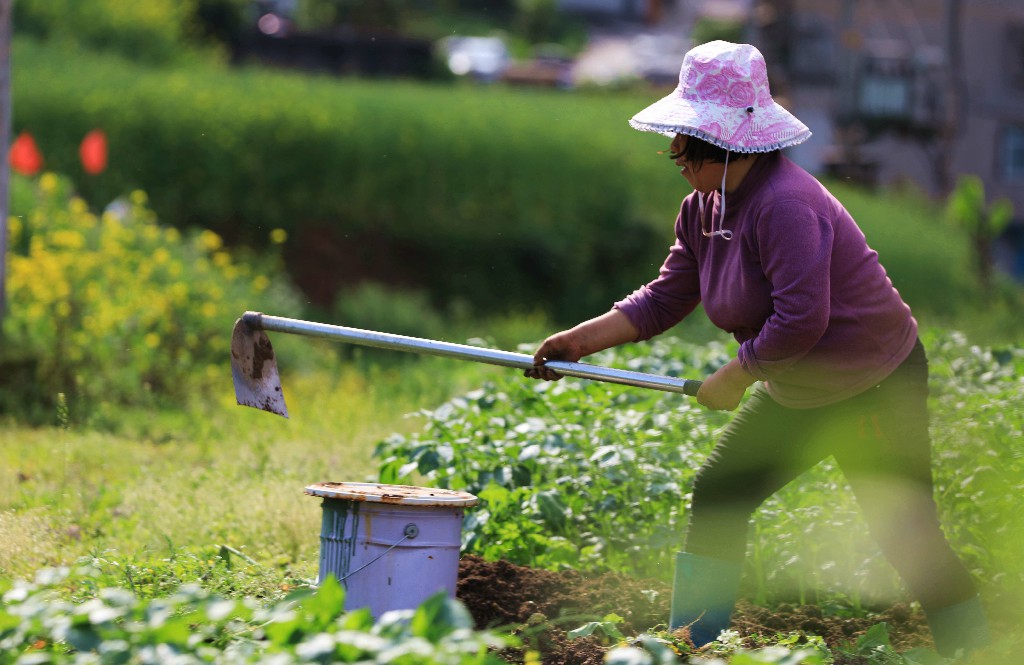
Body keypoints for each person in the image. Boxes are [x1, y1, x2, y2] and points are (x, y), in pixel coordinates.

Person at [524, 41, 990, 657]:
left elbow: (803, 319)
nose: (674, 156)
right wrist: (577, 341)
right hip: (797, 381)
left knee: (903, 532)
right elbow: (665, 299)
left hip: (873, 380)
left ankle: (979, 649)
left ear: (722, 143)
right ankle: (695, 641)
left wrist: (738, 375)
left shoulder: (786, 205)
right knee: (720, 493)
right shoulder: (702, 208)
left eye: (683, 143)